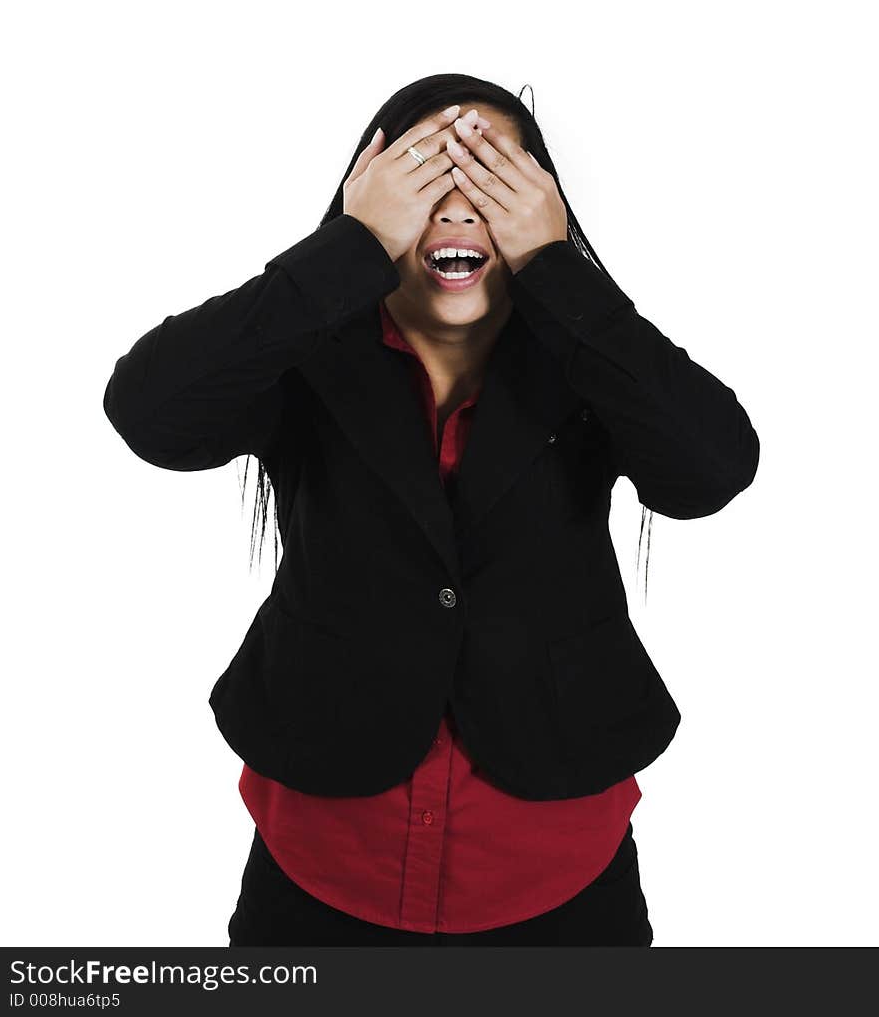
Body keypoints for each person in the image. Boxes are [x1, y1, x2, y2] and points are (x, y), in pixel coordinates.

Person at [103, 72, 760, 945]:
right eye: (424, 182)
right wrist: (346, 250)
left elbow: (713, 469)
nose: (456, 210)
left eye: (492, 181)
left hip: (557, 871)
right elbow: (149, 414)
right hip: (321, 869)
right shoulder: (304, 357)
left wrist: (558, 271)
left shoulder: (588, 364)